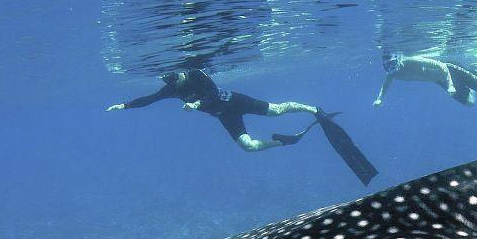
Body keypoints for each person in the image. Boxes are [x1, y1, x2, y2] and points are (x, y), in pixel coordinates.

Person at [106, 69, 319, 152]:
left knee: (277, 111)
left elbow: (213, 93)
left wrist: (197, 104)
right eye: (171, 83)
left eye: (176, 79)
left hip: (237, 102)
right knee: (249, 147)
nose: (175, 85)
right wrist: (124, 105)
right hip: (225, 115)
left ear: (181, 74)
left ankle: (312, 109)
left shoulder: (196, 74)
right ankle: (285, 141)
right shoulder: (172, 89)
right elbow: (149, 99)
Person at [373, 49, 477, 107]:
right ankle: (476, 70)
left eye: (394, 63)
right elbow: (385, 84)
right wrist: (380, 98)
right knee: (470, 102)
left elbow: (441, 66)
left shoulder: (410, 60)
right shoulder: (393, 73)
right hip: (440, 80)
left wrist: (450, 86)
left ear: (398, 59)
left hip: (448, 69)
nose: (393, 68)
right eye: (389, 67)